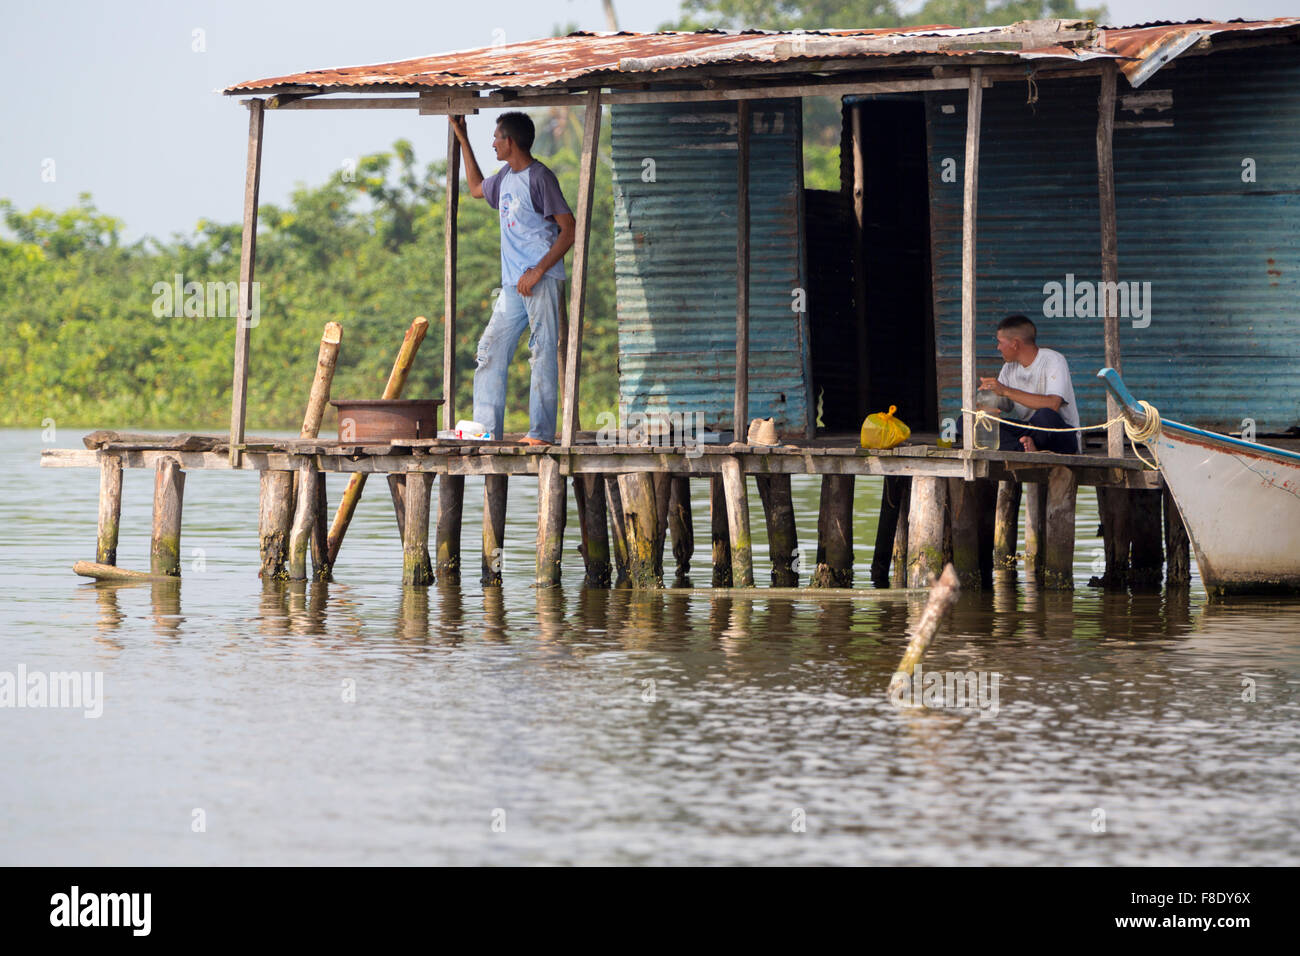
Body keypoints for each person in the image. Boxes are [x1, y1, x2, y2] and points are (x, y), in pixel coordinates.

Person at [450, 111, 576, 445]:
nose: (492, 143)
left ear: (510, 141)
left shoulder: (540, 177)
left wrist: (538, 270)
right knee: (489, 350)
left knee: (542, 352)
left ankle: (540, 434)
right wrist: (463, 138)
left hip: (541, 281)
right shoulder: (504, 176)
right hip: (511, 286)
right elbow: (477, 188)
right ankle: (487, 431)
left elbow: (569, 229)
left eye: (495, 137)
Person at [977, 314, 1081, 454]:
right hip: (1029, 432)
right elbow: (1000, 405)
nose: (998, 347)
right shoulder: (1009, 367)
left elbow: (1053, 404)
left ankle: (1029, 446)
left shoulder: (1053, 360)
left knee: (1045, 415)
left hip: (1058, 435)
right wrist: (984, 405)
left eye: (1000, 342)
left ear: (1015, 343)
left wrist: (1006, 391)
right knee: (966, 421)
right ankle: (1024, 448)